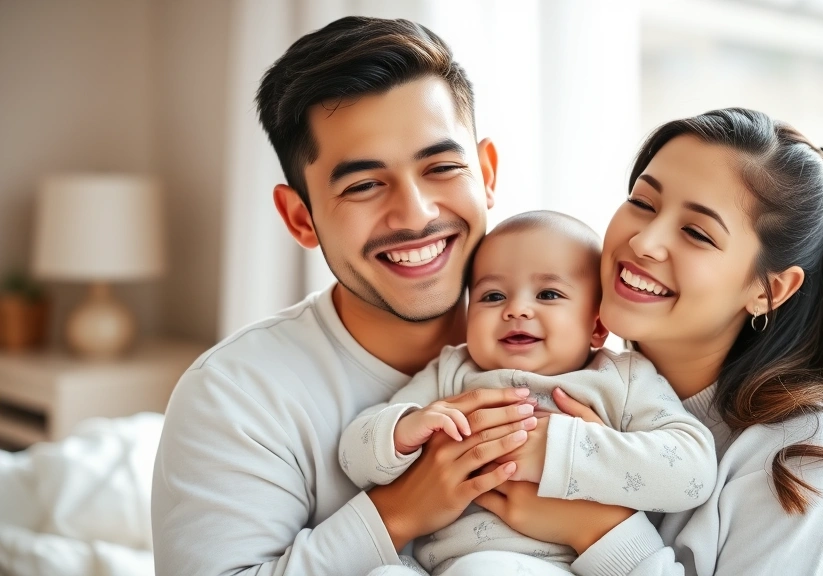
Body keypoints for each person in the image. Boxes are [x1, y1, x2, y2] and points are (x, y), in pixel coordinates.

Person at [469, 109, 823, 575]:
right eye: (642, 203)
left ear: (768, 289)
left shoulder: (801, 448)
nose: (645, 242)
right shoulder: (566, 375)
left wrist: (596, 529)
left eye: (696, 233)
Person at [151, 17, 547, 575]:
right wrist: (397, 514)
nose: (416, 214)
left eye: (442, 167)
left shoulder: (584, 342)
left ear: (485, 174)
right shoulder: (233, 396)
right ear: (300, 217)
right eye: (363, 185)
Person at [340, 211, 716, 575]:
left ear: (597, 326)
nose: (516, 309)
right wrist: (403, 430)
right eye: (491, 296)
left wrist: (563, 449)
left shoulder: (622, 378)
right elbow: (351, 457)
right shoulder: (453, 371)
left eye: (549, 294)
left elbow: (693, 471)